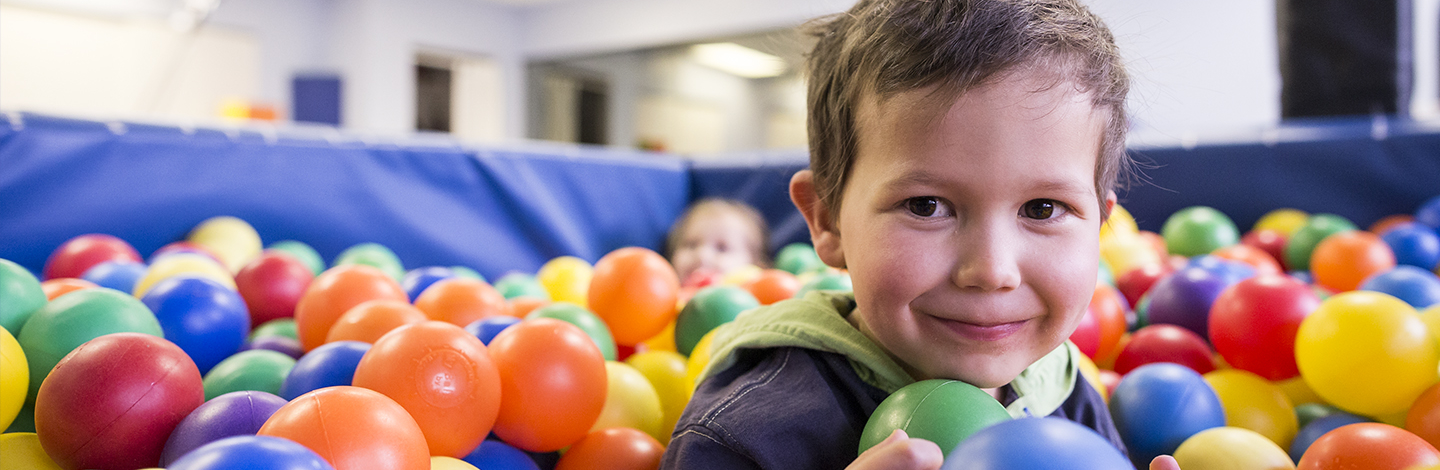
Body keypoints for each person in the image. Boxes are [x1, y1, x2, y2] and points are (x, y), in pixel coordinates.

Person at [660, 0, 1181, 469]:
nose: (991, 270)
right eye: (926, 206)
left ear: (1101, 225)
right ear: (827, 221)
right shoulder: (749, 431)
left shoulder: (1063, 388)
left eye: (1043, 208)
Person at [665, 198, 771, 283]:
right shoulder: (668, 298)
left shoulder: (758, 301)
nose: (702, 255)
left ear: (755, 266)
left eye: (722, 248)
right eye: (691, 245)